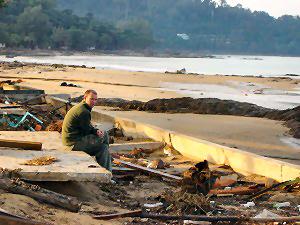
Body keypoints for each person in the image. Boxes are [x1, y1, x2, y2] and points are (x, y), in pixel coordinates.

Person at [62, 89, 112, 172]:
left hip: (71, 141)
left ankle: (107, 172)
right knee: (105, 135)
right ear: (85, 98)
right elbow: (87, 130)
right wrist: (96, 132)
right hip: (72, 144)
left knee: (103, 148)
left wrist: (95, 131)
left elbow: (87, 127)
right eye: (91, 99)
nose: (94, 102)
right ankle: (109, 161)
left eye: (95, 99)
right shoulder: (83, 111)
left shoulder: (81, 107)